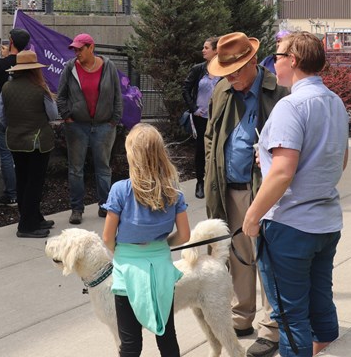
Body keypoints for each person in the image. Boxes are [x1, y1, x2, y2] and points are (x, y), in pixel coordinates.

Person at [242, 31, 349, 357]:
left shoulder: (291, 105)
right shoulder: (335, 101)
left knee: (291, 317)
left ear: (295, 60)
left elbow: (284, 172)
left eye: (278, 55)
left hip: (290, 225)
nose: (274, 61)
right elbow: (339, 159)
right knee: (320, 302)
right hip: (326, 222)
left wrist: (252, 214)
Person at [204, 31, 288, 356]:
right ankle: (242, 316)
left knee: (268, 257)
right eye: (226, 72)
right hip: (230, 188)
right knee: (239, 258)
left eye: (236, 70)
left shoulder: (278, 92)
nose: (231, 77)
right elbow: (211, 137)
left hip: (264, 190)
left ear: (252, 61)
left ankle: (272, 327)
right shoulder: (222, 91)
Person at [103, 124, 190, 357]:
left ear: (132, 155)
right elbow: (184, 235)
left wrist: (118, 251)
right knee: (167, 337)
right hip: (161, 268)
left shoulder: (120, 190)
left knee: (130, 343)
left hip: (127, 271)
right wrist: (163, 245)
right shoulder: (173, 191)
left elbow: (107, 237)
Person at [57, 33, 123, 225]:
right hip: (77, 126)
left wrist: (114, 120)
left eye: (80, 49)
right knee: (75, 169)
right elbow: (61, 96)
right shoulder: (70, 68)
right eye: (74, 49)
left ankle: (105, 206)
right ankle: (76, 209)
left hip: (104, 125)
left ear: (91, 47)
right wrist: (67, 117)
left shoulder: (108, 67)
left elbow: (117, 95)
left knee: (103, 168)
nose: (76, 53)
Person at [0, 50, 56, 238]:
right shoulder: (41, 88)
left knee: (22, 180)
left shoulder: (6, 88)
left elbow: (2, 117)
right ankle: (26, 226)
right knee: (35, 183)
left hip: (15, 140)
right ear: (35, 69)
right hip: (38, 141)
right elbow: (54, 114)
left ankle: (34, 217)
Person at [0, 28, 31, 207]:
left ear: (11, 42)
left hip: (2, 117)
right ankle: (25, 191)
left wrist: (3, 61)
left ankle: (12, 195)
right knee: (23, 154)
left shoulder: (1, 64)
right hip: (24, 116)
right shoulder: (29, 64)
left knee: (6, 154)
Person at [182, 36, 220, 199]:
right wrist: (194, 109)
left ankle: (216, 182)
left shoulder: (225, 70)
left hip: (219, 117)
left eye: (206, 48)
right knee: (200, 149)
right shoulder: (198, 69)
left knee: (218, 149)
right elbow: (186, 89)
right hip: (201, 117)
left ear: (216, 50)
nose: (203, 50)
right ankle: (200, 182)